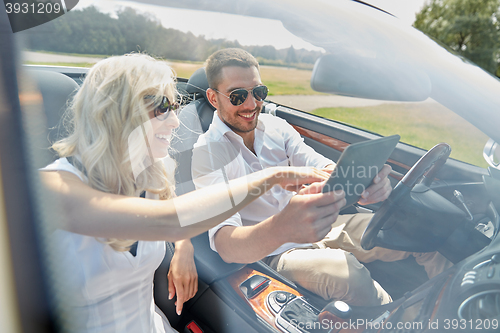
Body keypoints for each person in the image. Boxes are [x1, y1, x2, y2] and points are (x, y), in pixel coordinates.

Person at [39, 53, 330, 333]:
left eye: (174, 106)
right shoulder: (53, 188)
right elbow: (166, 220)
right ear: (119, 113)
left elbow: (171, 212)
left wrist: (183, 248)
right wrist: (272, 177)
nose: (176, 122)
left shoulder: (150, 174)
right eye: (162, 107)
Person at [191, 48, 452, 306]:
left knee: (415, 229)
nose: (251, 104)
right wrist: (283, 227)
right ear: (214, 98)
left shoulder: (276, 128)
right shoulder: (207, 154)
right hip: (273, 251)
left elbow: (322, 168)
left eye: (259, 92)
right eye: (237, 96)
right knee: (346, 273)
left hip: (318, 227)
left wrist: (364, 180)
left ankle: (450, 308)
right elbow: (226, 245)